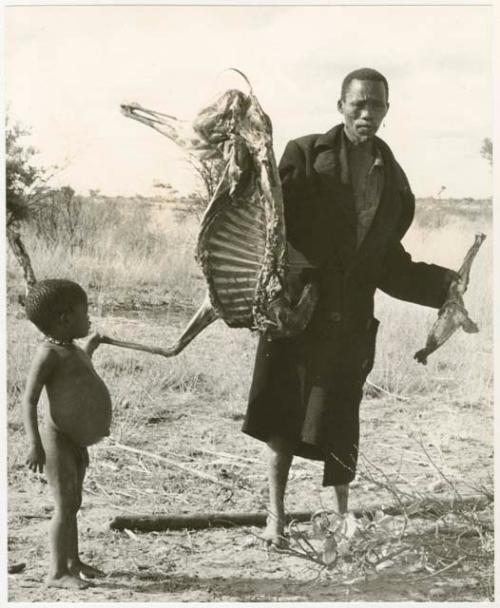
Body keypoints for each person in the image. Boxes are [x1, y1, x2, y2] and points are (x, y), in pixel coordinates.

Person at [242, 67, 458, 545]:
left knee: (340, 422)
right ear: (340, 105)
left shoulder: (395, 181)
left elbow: (388, 263)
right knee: (283, 415)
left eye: (376, 105)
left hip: (352, 317)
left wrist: (444, 285)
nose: (367, 113)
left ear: (387, 109)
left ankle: (339, 522)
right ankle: (274, 517)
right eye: (358, 103)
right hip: (298, 310)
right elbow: (267, 222)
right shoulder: (303, 153)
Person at [22, 279, 112, 588]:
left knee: (73, 503)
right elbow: (29, 400)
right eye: (84, 313)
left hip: (75, 441)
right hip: (57, 442)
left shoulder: (68, 347)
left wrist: (92, 346)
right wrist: (35, 445)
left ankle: (73, 561)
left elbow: (76, 370)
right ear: (64, 319)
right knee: (63, 506)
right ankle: (57, 572)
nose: (89, 319)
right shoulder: (47, 354)